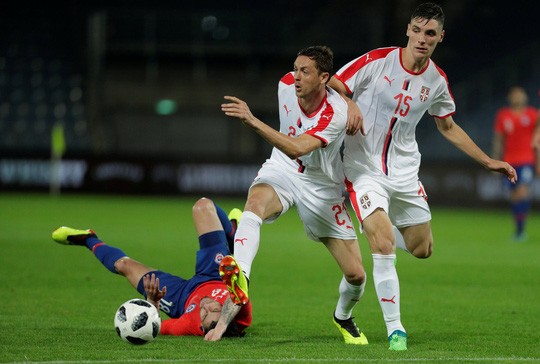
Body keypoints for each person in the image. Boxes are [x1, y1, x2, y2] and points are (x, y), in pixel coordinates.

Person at [328, 2, 517, 351]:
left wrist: (487, 160)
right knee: (384, 245)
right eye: (417, 30)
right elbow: (335, 82)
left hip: (404, 172)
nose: (422, 38)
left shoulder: (437, 81)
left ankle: (375, 224)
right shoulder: (378, 60)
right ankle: (395, 329)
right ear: (408, 30)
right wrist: (350, 104)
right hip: (363, 168)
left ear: (439, 37)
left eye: (430, 33)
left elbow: (447, 126)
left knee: (422, 248)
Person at [220, 45, 368, 345]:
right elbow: (290, 153)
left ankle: (342, 316)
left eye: (305, 71)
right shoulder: (286, 84)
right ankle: (241, 280)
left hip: (322, 186)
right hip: (284, 167)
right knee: (256, 203)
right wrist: (351, 99)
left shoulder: (335, 115)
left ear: (323, 77)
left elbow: (298, 146)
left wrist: (251, 120)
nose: (296, 76)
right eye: (295, 68)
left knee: (356, 276)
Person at [51, 198, 251, 341]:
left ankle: (88, 238)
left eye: (204, 315)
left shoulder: (188, 325)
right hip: (215, 274)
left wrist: (152, 303)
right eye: (215, 309)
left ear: (201, 327)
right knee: (203, 206)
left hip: (181, 297)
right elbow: (240, 295)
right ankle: (233, 232)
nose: (205, 306)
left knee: (124, 266)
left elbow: (155, 327)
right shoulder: (241, 315)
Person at [492, 86, 539, 241]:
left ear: (525, 97)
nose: (517, 97)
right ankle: (519, 228)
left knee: (521, 193)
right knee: (513, 196)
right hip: (509, 161)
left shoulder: (533, 115)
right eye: (514, 95)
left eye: (520, 94)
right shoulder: (503, 115)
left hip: (527, 160)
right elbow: (498, 140)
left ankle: (520, 231)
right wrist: (495, 160)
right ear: (509, 98)